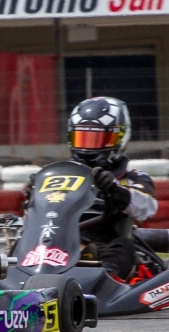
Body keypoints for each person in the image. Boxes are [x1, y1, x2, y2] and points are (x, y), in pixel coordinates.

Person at [65, 96, 157, 281]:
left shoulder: (133, 177)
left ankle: (105, 281)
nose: (87, 148)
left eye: (95, 139)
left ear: (119, 138)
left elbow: (147, 207)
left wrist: (115, 190)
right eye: (82, 138)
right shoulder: (61, 174)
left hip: (104, 245)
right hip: (60, 242)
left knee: (124, 246)